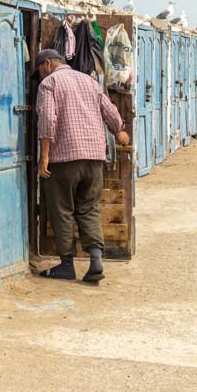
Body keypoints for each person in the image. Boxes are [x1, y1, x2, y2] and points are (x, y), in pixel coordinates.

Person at [34, 48, 128, 283]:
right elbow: (110, 111)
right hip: (94, 156)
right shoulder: (89, 81)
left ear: (47, 64)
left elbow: (47, 119)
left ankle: (67, 265)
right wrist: (119, 131)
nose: (40, 75)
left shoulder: (49, 84)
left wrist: (44, 156)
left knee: (62, 209)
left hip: (64, 158)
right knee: (89, 208)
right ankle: (96, 261)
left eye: (39, 70)